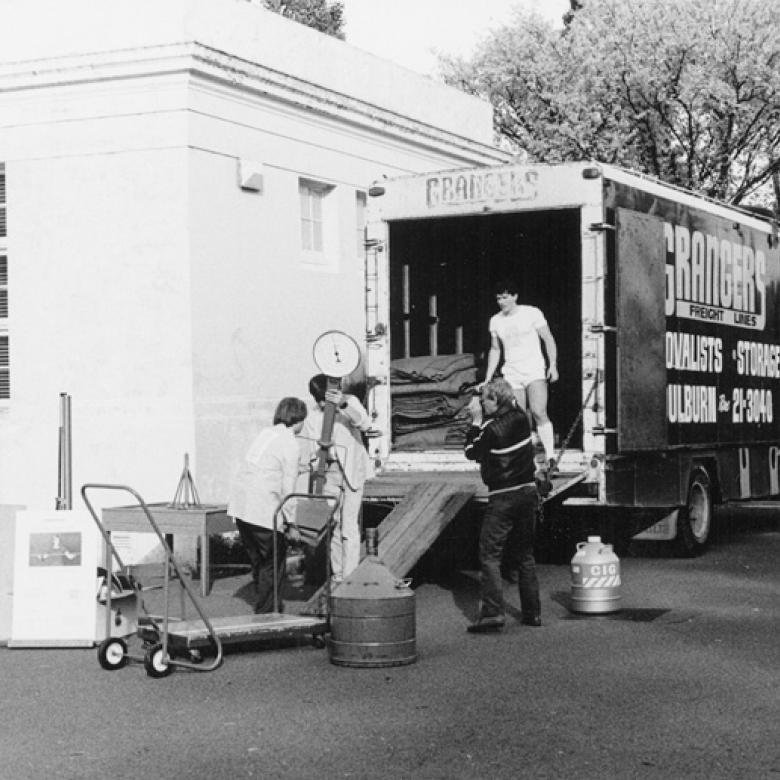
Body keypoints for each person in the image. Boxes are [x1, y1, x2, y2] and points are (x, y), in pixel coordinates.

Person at [464, 377, 542, 632]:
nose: (480, 404)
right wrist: (489, 391)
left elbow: (471, 452)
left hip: (503, 496)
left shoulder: (491, 430)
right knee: (525, 556)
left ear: (495, 400)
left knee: (490, 555)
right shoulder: (522, 417)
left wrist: (475, 421)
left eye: (484, 400)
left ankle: (492, 614)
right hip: (528, 492)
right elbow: (512, 401)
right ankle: (532, 614)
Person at [227, 397, 307, 614]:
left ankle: (264, 607)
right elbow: (288, 489)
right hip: (263, 510)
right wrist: (292, 524)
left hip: (242, 508)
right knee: (273, 564)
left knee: (259, 563)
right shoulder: (291, 443)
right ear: (298, 420)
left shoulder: (266, 434)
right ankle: (267, 616)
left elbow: (264, 468)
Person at [298, 374, 372, 583]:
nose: (323, 403)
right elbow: (312, 446)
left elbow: (365, 423)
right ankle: (339, 575)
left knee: (349, 526)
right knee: (333, 525)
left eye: (325, 397)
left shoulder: (349, 402)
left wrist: (343, 404)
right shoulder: (313, 417)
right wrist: (323, 452)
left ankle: (351, 577)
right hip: (329, 472)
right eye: (319, 399)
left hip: (352, 472)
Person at [482, 279, 559, 473]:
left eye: (505, 297)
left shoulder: (532, 313)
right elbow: (495, 349)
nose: (501, 301)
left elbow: (548, 338)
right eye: (498, 298)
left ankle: (550, 458)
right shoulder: (495, 320)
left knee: (538, 411)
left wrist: (553, 365)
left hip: (534, 370)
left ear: (515, 296)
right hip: (512, 372)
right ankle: (528, 462)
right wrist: (488, 377)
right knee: (520, 418)